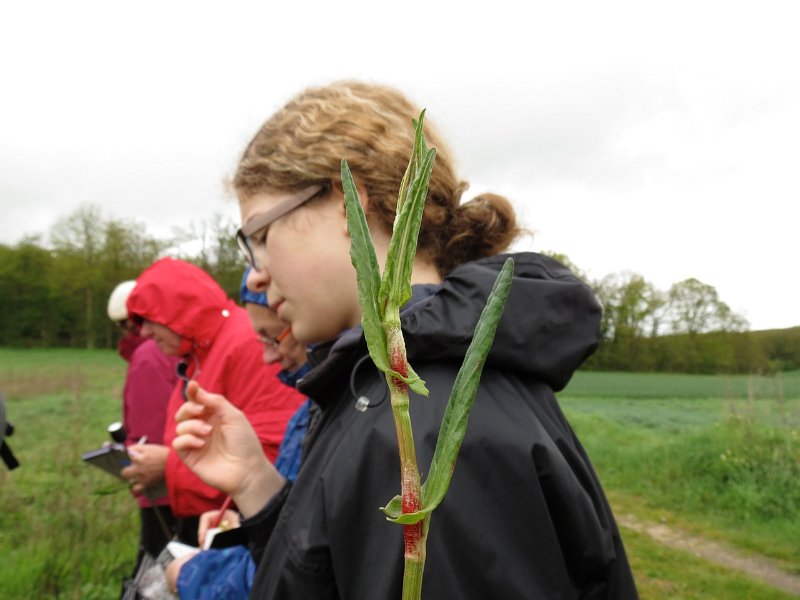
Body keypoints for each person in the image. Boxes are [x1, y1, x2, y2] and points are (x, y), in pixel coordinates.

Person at [173, 81, 639, 598]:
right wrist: (259, 490)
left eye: (259, 236)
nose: (255, 275)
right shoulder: (385, 385)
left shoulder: (422, 419)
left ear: (348, 202)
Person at [121, 258, 305, 546]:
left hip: (254, 525)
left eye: (147, 319)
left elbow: (274, 452)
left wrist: (170, 467)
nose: (143, 332)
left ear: (177, 309)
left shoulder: (246, 343)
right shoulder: (198, 354)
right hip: (224, 516)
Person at [165, 269, 312, 598]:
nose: (267, 356)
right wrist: (249, 514)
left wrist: (189, 576)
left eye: (274, 337)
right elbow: (294, 532)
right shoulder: (313, 409)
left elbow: (302, 572)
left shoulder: (340, 411)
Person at [107, 280, 179, 568]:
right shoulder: (170, 348)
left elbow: (150, 432)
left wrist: (127, 454)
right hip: (182, 477)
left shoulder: (147, 356)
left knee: (155, 571)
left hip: (161, 489)